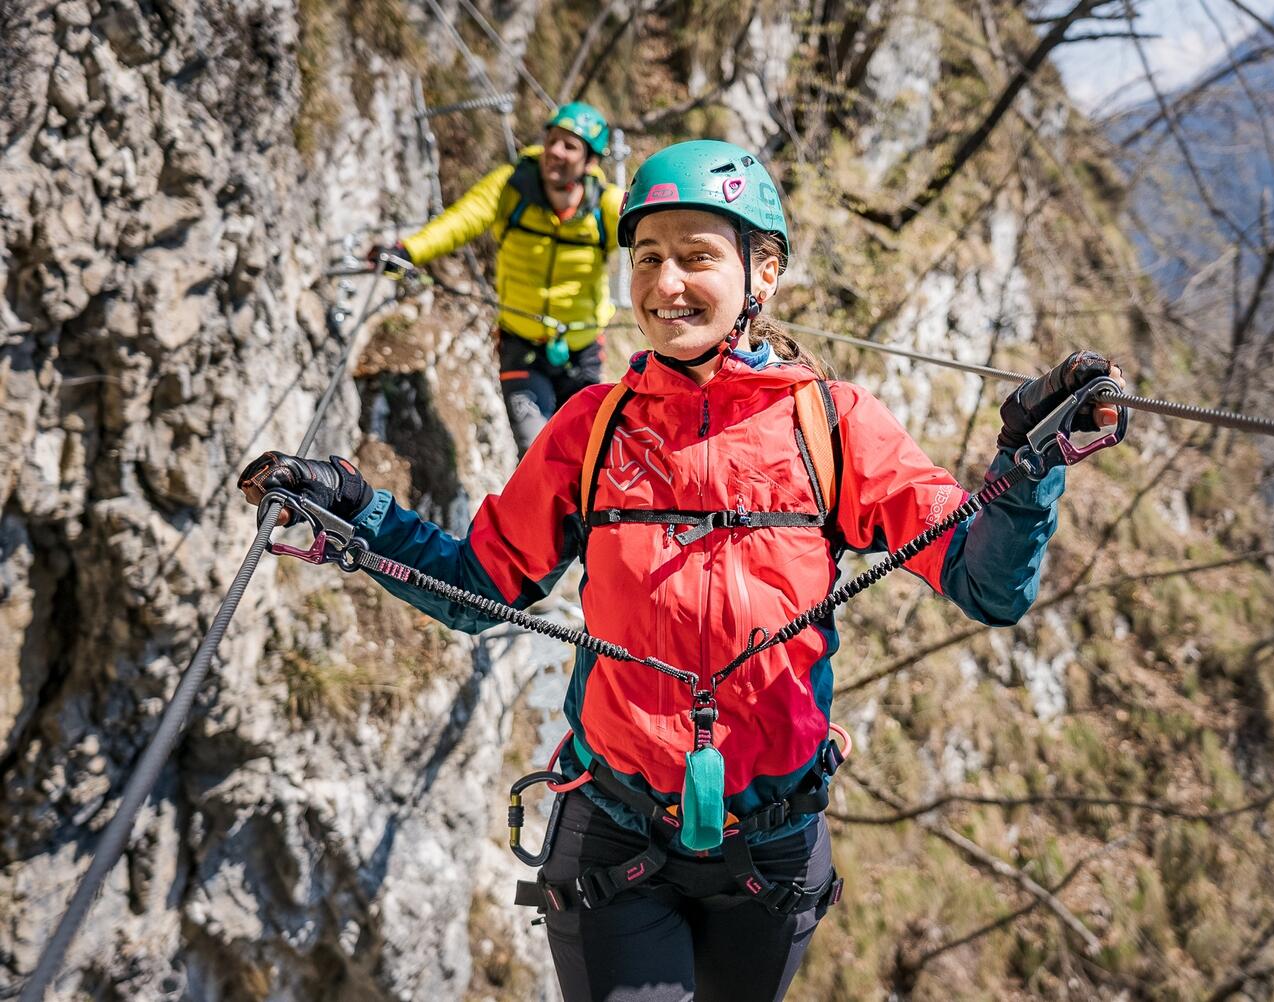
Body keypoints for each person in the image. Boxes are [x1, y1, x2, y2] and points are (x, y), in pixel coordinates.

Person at [244, 139, 1125, 1001]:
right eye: (647, 258)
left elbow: (987, 583)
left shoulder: (833, 425)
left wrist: (1026, 468)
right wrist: (362, 519)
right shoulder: (591, 429)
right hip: (615, 843)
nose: (665, 286)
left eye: (697, 257)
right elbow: (481, 587)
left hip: (771, 854)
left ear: (764, 270)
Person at [370, 101, 625, 455]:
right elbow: (462, 220)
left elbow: (652, 230)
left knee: (586, 455)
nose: (555, 151)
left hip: (581, 353)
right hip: (520, 346)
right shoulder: (511, 186)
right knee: (536, 450)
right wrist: (408, 251)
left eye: (570, 146)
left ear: (591, 161)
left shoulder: (607, 207)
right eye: (552, 139)